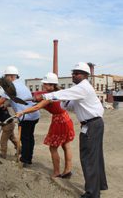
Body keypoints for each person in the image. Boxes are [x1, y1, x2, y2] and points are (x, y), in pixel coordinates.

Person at [41, 62, 108, 198]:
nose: (73, 75)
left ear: (84, 75)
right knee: (95, 157)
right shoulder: (79, 89)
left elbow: (66, 93)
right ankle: (99, 185)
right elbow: (70, 106)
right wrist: (63, 100)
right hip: (94, 124)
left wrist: (45, 96)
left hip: (91, 125)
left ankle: (91, 193)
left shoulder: (82, 87)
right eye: (73, 72)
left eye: (76, 73)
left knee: (88, 158)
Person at [16, 73, 75, 178]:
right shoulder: (59, 92)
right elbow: (37, 96)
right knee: (66, 145)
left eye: (45, 84)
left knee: (53, 148)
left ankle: (56, 172)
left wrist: (22, 112)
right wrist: (31, 99)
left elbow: (37, 107)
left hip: (58, 121)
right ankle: (67, 170)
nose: (43, 86)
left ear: (52, 85)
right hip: (66, 118)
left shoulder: (50, 97)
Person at [0, 66, 40, 166]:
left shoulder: (11, 87)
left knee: (25, 139)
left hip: (26, 116)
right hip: (34, 115)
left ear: (11, 77)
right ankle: (27, 158)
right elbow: (15, 100)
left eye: (6, 77)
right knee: (29, 138)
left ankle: (25, 160)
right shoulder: (21, 85)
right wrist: (5, 105)